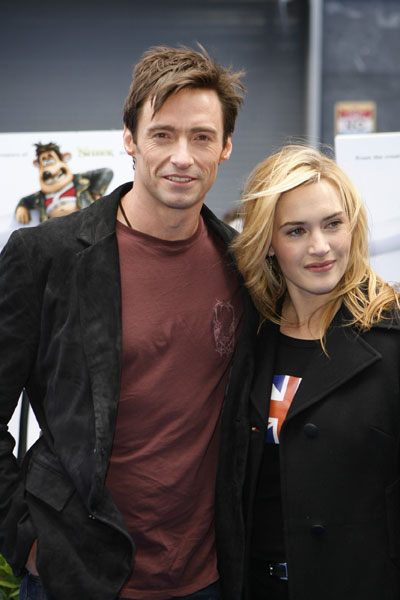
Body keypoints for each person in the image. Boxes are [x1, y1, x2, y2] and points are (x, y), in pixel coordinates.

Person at [0, 45, 259, 600]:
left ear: (227, 146)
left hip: (204, 580)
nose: (182, 157)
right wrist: (24, 539)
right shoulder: (46, 257)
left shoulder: (247, 269)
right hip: (73, 576)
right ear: (129, 138)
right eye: (162, 134)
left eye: (202, 137)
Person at [229, 144, 400, 599]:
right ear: (268, 241)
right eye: (296, 231)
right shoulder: (245, 339)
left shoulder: (392, 337)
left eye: (332, 224)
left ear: (353, 226)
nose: (320, 247)